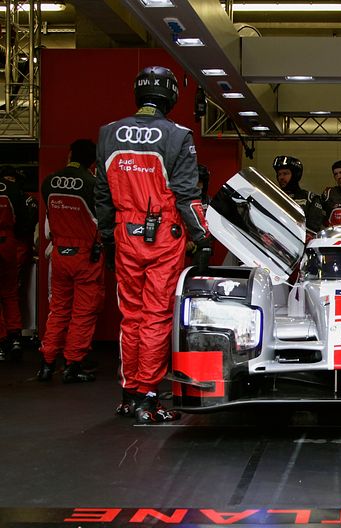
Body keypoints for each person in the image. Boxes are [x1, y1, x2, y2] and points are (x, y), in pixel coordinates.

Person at [95, 65, 211, 423]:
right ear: (171, 96)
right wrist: (202, 239)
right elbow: (187, 197)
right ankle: (148, 396)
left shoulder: (108, 133)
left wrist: (107, 240)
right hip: (163, 237)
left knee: (130, 317)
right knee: (156, 318)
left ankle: (130, 393)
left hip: (123, 232)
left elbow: (102, 195)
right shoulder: (178, 136)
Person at [38, 139, 103, 383]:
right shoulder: (92, 184)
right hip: (85, 256)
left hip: (59, 254)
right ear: (94, 162)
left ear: (69, 154)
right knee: (83, 312)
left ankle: (46, 362)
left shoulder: (49, 182)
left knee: (58, 310)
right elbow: (103, 221)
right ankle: (73, 365)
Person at [0, 172, 31, 361]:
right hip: (8, 242)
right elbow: (24, 221)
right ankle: (15, 337)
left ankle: (1, 342)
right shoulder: (13, 190)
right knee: (10, 293)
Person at [273, 155, 325, 233]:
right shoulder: (273, 197)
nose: (281, 177)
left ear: (295, 175)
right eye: (279, 174)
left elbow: (313, 229)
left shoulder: (310, 198)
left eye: (285, 173)